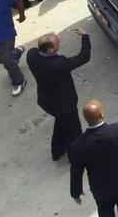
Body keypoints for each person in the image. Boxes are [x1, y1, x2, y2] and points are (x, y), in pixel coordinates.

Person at [68, 94, 118, 217]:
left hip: (101, 189)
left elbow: (76, 171)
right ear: (101, 115)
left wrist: (76, 192)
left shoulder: (78, 146)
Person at [26, 29, 91, 162]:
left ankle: (57, 151)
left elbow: (35, 49)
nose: (60, 42)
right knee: (74, 132)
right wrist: (85, 37)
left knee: (61, 124)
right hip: (65, 105)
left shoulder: (31, 55)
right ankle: (78, 157)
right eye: (57, 42)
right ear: (50, 50)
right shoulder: (58, 64)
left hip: (46, 101)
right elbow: (84, 57)